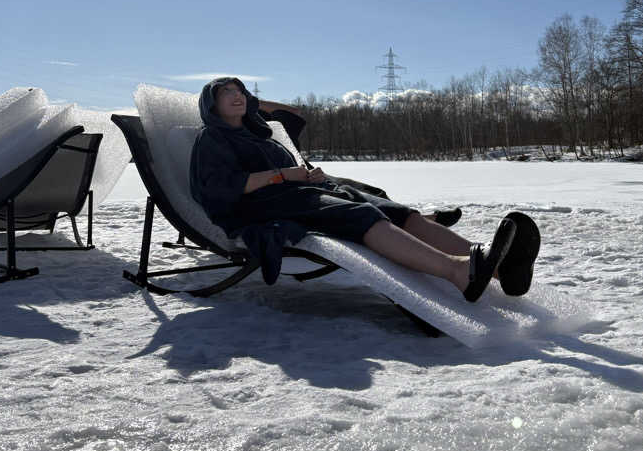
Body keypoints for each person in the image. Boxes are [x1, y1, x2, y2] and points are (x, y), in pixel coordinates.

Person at [190, 77, 539, 301]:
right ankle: (457, 271)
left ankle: (498, 268)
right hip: (262, 206)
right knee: (361, 215)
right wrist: (283, 176)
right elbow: (222, 189)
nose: (237, 96)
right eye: (226, 93)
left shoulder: (261, 132)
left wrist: (305, 174)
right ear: (211, 104)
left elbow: (291, 114)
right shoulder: (213, 138)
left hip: (301, 193)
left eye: (241, 91)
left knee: (395, 211)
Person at [254, 97, 463, 227]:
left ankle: (417, 221)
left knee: (371, 191)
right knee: (348, 195)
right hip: (286, 182)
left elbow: (294, 113)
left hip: (308, 171)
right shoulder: (236, 131)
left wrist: (254, 102)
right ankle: (410, 225)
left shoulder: (262, 119)